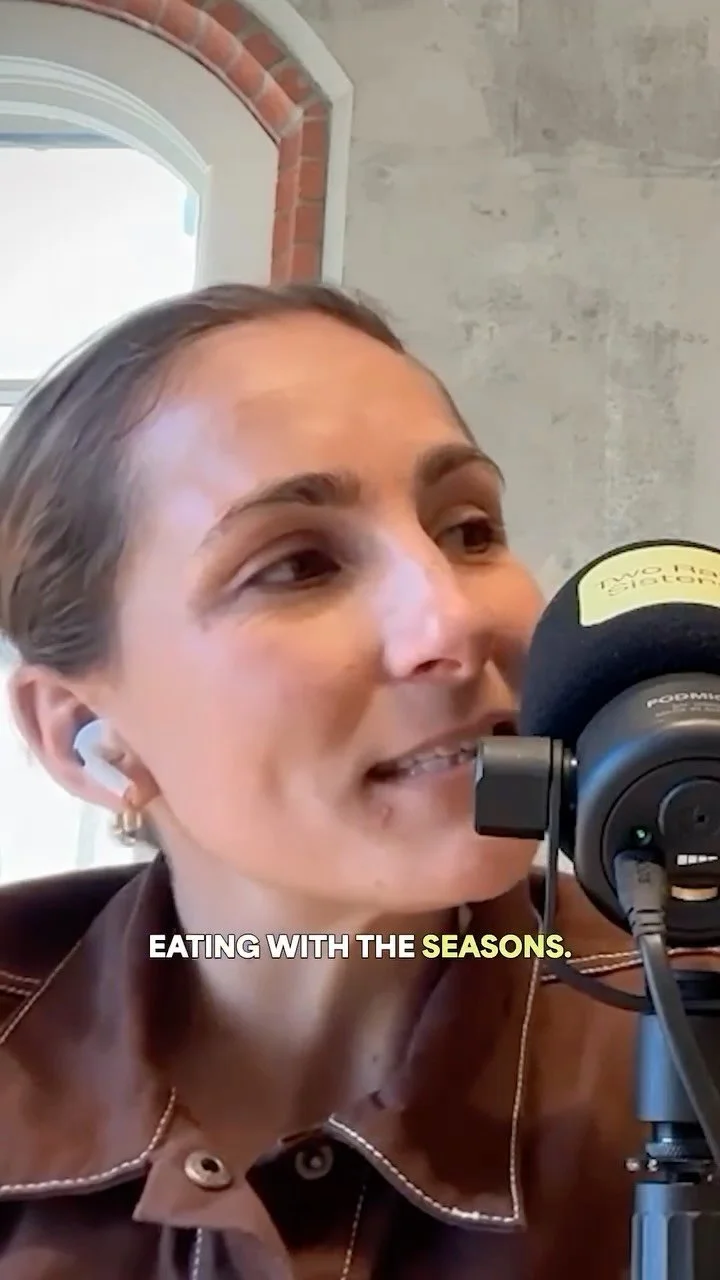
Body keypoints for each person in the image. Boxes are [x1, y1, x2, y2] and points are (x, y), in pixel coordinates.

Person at [0, 281, 707, 1280]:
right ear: (86, 734)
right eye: (298, 565)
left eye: (469, 530)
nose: (453, 620)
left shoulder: (688, 1014)